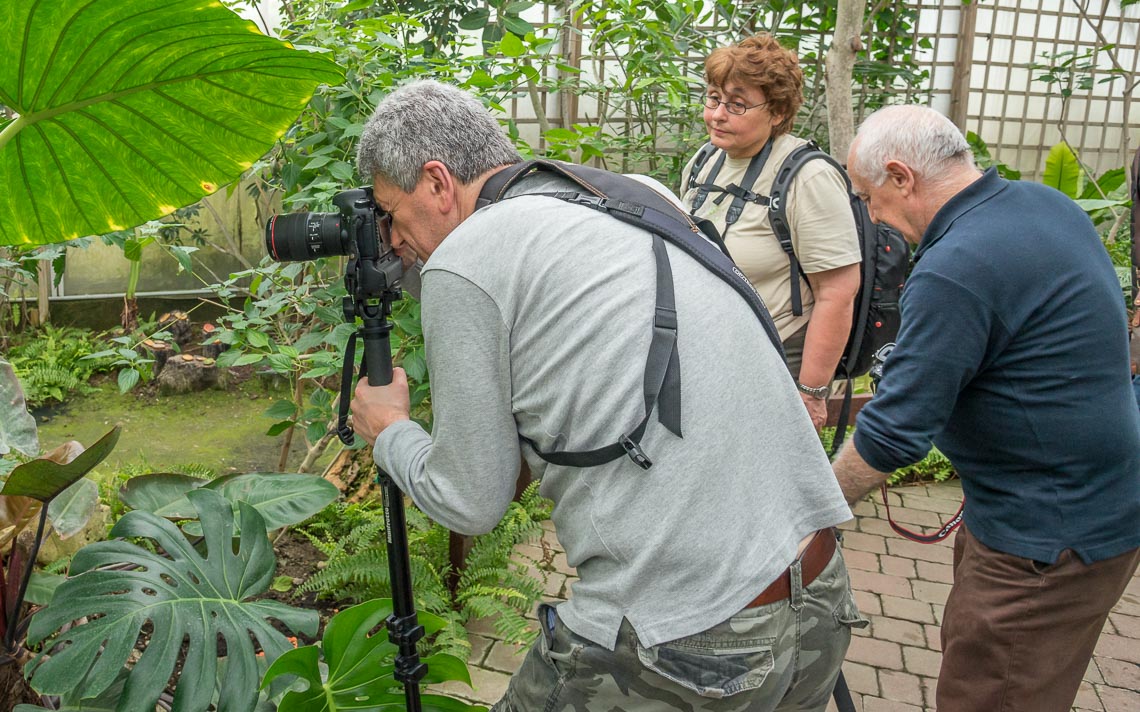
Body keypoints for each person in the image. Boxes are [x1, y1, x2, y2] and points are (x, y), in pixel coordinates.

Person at [348, 79, 865, 711]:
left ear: (436, 182)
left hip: (687, 641)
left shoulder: (467, 258)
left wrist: (390, 429)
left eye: (394, 217)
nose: (395, 244)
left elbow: (471, 501)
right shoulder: (627, 193)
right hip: (819, 593)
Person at [831, 105, 1140, 712]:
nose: (871, 215)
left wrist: (809, 514)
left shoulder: (957, 267)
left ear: (901, 177)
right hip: (1071, 500)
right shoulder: (1042, 205)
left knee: (993, 693)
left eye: (867, 197)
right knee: (995, 667)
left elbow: (892, 436)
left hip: (1047, 534)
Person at [681, 33, 861, 431]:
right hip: (712, 355)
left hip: (775, 362)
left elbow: (838, 291)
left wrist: (812, 394)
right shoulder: (705, 161)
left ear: (777, 112)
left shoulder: (808, 178)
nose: (717, 115)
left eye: (737, 104)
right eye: (713, 98)